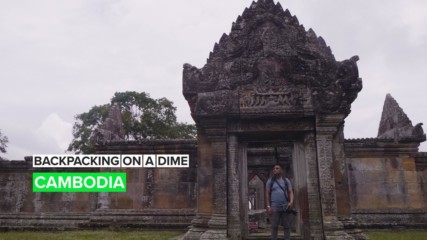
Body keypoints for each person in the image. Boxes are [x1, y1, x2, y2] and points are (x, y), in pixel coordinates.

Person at [265, 164, 294, 240]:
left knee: (287, 226)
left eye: (277, 168)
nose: (275, 169)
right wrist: (268, 206)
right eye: (274, 168)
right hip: (274, 206)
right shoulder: (270, 181)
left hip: (285, 206)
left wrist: (291, 202)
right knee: (274, 226)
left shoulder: (286, 181)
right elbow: (267, 193)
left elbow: (290, 192)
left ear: (281, 170)